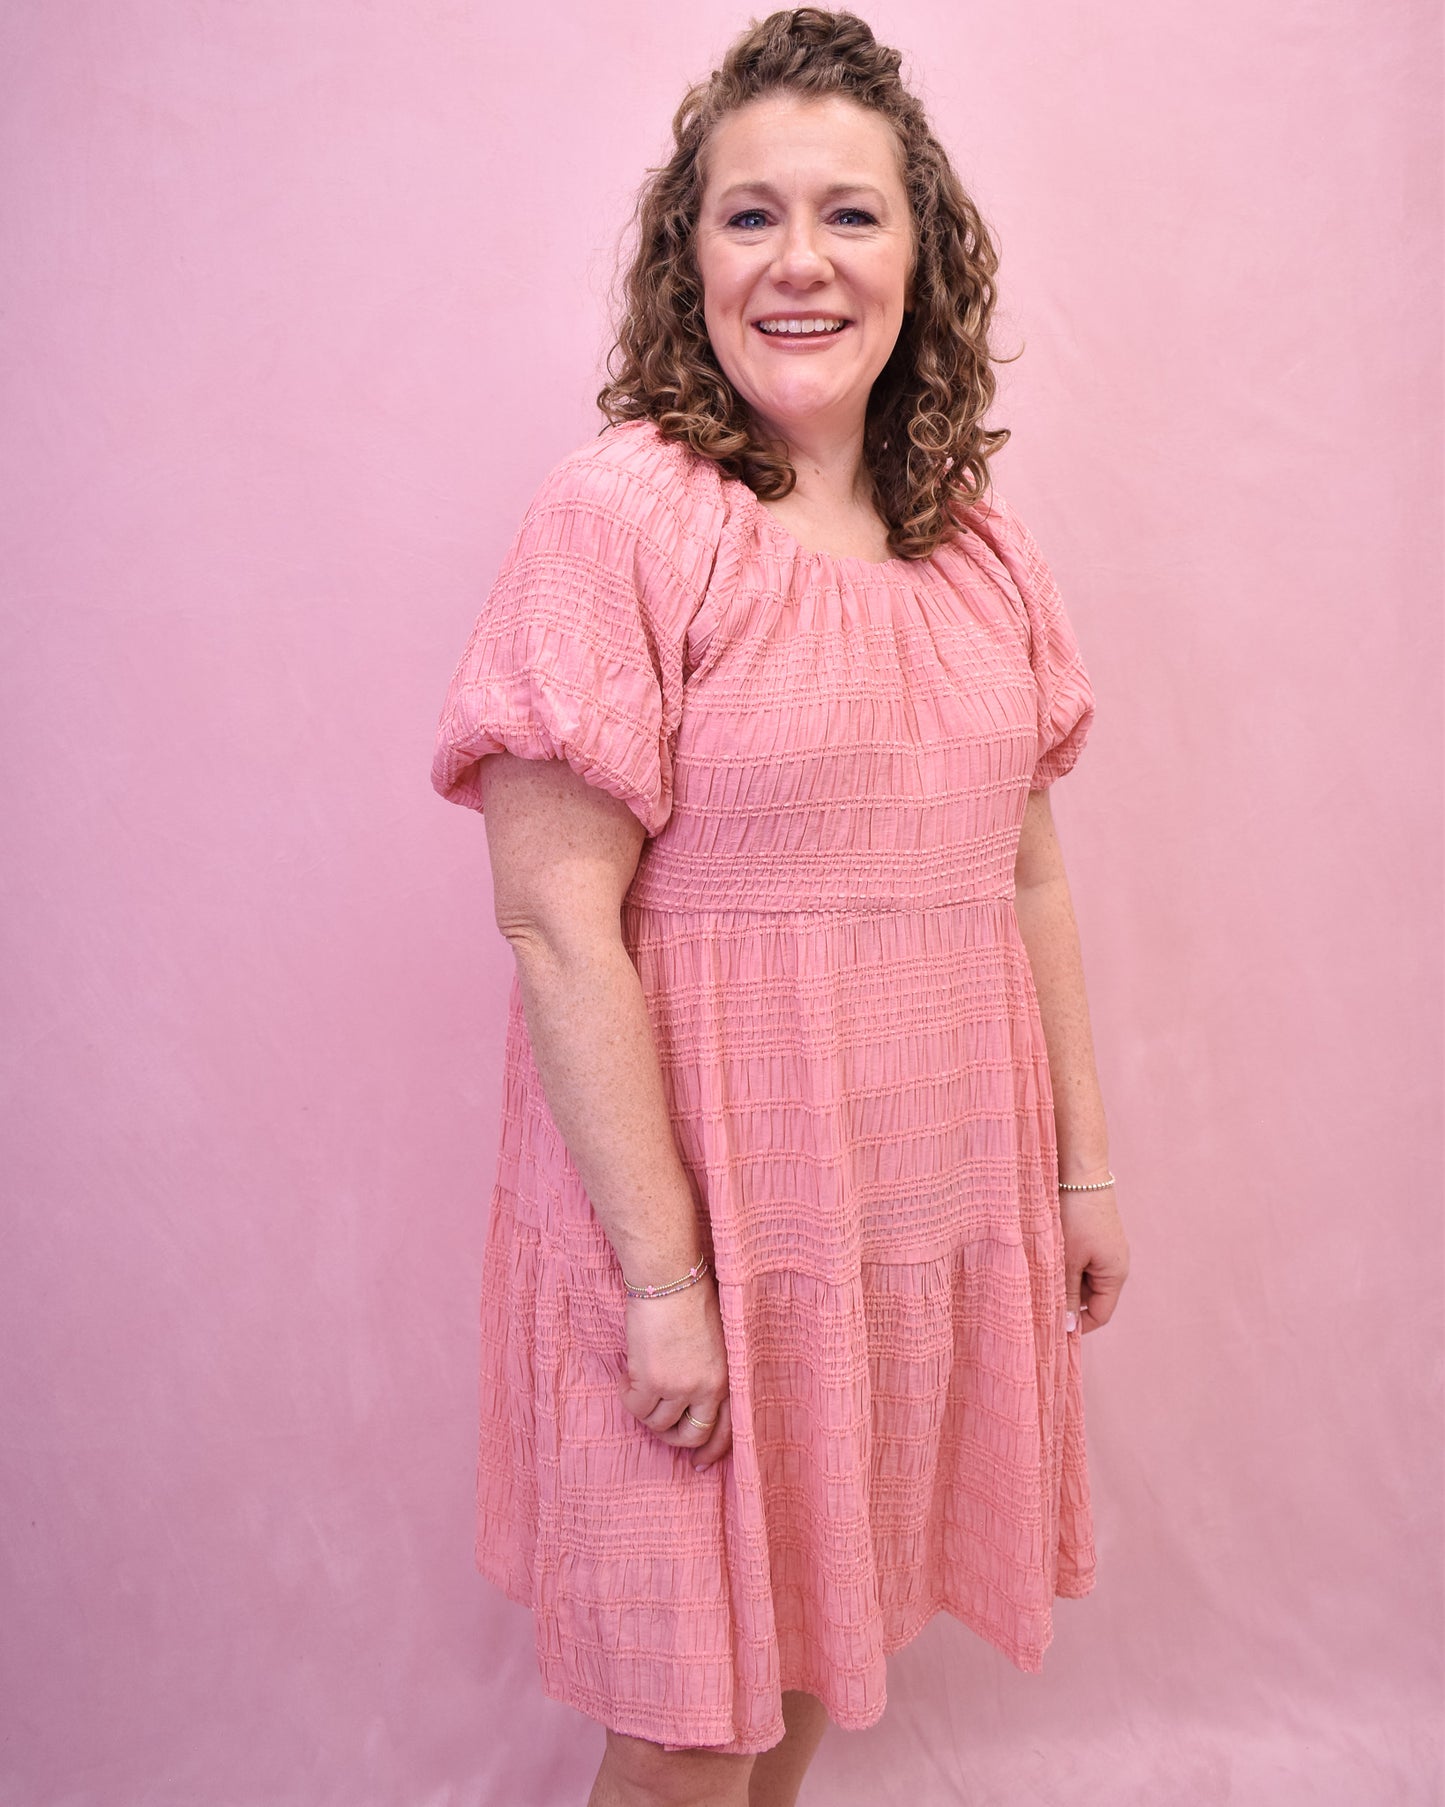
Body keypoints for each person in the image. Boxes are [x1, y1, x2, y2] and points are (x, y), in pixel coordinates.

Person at [430, 9, 1131, 1804]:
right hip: (699, 1238)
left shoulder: (974, 542)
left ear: (923, 253)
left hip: (904, 1222)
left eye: (849, 214)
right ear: (688, 256)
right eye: (748, 216)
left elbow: (1025, 868)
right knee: (680, 1733)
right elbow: (552, 927)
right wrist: (664, 1285)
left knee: (820, 1649)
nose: (800, 261)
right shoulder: (622, 522)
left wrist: (1077, 1174)